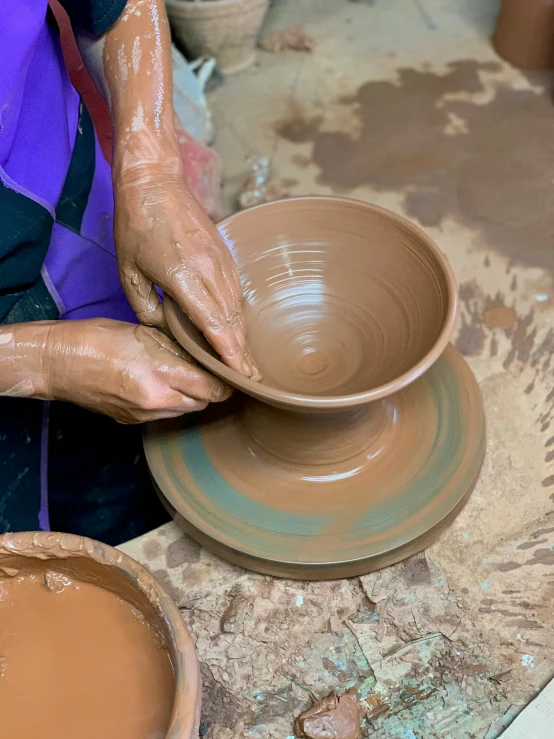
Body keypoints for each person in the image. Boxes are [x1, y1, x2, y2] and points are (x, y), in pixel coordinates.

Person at [0, 0, 258, 543]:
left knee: (132, 434)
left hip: (52, 173)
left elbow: (114, 7)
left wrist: (149, 170)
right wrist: (40, 361)